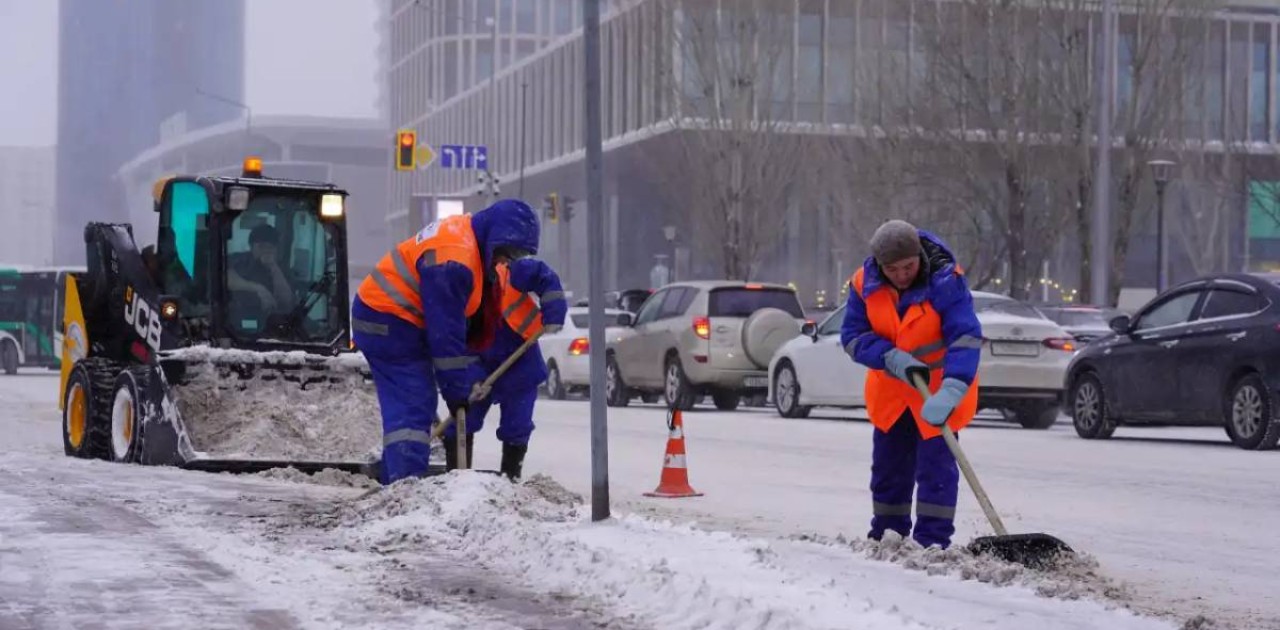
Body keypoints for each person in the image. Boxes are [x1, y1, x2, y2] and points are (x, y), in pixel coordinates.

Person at [351, 199, 542, 485]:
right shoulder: (455, 262)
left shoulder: (468, 239)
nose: (505, 262)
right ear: (494, 238)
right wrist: (456, 391)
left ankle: (395, 478)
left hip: (396, 321)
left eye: (514, 256)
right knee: (413, 403)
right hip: (388, 321)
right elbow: (445, 334)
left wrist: (460, 383)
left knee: (417, 402)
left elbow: (457, 330)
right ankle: (405, 488)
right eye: (506, 253)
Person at [840, 219, 983, 549]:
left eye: (908, 266)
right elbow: (852, 337)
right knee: (889, 471)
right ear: (880, 265)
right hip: (892, 394)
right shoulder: (863, 284)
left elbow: (965, 336)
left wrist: (953, 387)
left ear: (919, 255)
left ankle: (931, 543)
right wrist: (888, 356)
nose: (902, 274)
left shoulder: (946, 281)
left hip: (938, 392)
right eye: (892, 269)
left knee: (937, 473)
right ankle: (887, 537)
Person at [444, 255, 567, 481]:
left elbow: (545, 278)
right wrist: (472, 378)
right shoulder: (454, 299)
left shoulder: (512, 271)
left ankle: (510, 480)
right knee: (462, 419)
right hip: (478, 362)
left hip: (520, 360)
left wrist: (554, 310)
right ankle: (455, 481)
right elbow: (455, 345)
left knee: (517, 425)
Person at [228, 224, 294, 312]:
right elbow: (226, 278)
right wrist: (258, 288)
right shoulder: (239, 260)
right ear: (251, 247)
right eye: (261, 246)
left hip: (272, 318)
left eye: (271, 247)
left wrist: (273, 267)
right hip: (241, 314)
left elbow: (286, 299)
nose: (266, 251)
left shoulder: (281, 268)